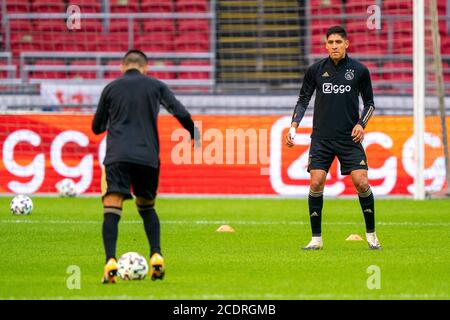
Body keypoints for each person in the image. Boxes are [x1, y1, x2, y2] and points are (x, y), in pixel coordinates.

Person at [92, 49, 199, 283]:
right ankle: (156, 256)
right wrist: (194, 134)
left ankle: (110, 261)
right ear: (145, 68)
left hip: (117, 156)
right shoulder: (155, 86)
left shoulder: (110, 88)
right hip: (147, 157)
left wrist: (116, 117)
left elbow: (97, 127)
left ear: (122, 67)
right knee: (147, 208)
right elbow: (179, 111)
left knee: (112, 207)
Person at [285, 26, 381, 250]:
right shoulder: (315, 70)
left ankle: (372, 235)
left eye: (339, 42)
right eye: (331, 42)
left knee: (362, 182)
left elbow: (369, 104)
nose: (334, 46)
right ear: (325, 45)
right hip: (321, 139)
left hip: (349, 138)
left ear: (347, 44)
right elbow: (303, 100)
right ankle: (316, 239)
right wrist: (293, 126)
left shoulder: (359, 71)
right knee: (316, 182)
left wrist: (361, 123)